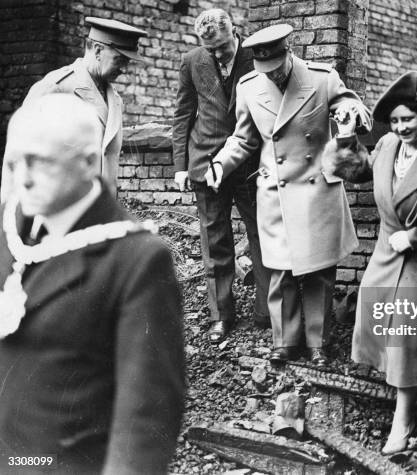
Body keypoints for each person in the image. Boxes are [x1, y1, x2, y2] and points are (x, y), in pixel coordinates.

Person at [0, 94, 184, 474]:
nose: (24, 178)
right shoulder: (11, 230)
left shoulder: (135, 259)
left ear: (88, 164)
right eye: (15, 162)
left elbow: (146, 416)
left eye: (41, 162)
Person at [205, 24, 372, 367]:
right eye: (264, 70)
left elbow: (353, 108)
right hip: (275, 190)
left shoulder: (321, 78)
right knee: (280, 272)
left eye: (277, 69)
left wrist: (349, 115)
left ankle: (318, 343)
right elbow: (243, 139)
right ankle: (285, 342)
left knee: (318, 272)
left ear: (288, 54)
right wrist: (221, 163)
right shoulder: (250, 87)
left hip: (316, 188)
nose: (273, 76)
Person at [323, 71, 417, 454]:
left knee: (407, 331)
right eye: (397, 120)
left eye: (410, 120)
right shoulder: (386, 144)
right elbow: (358, 172)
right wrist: (345, 140)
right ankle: (404, 387)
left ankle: (403, 419)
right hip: (386, 253)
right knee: (377, 319)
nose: (402, 127)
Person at [173, 8, 270, 342]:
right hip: (206, 161)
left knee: (261, 234)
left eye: (221, 47)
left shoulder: (256, 55)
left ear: (235, 32)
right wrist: (181, 166)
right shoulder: (192, 61)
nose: (215, 54)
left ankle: (266, 312)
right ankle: (221, 316)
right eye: (209, 49)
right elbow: (183, 112)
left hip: (250, 163)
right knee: (214, 241)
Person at [1, 17, 147, 201]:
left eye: (127, 62)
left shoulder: (114, 99)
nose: (124, 69)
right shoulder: (56, 86)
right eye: (120, 60)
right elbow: (18, 156)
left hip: (99, 209)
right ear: (98, 50)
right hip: (58, 207)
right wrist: (12, 219)